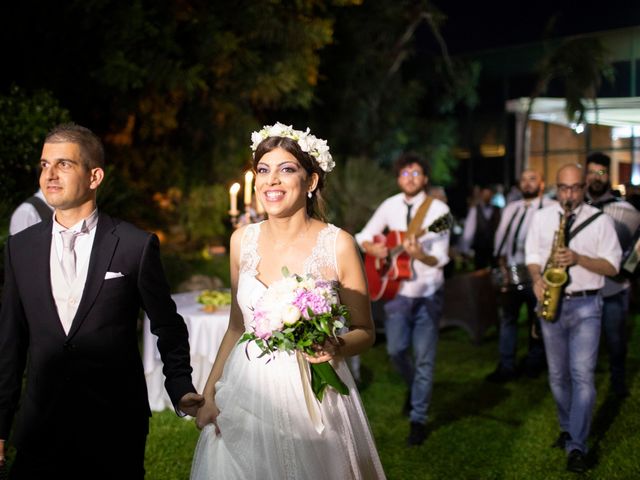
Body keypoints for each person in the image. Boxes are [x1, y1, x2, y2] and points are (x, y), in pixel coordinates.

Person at [0, 123, 203, 479]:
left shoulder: (134, 245)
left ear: (94, 176)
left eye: (64, 164)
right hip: (40, 425)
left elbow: (168, 326)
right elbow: (10, 343)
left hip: (114, 423)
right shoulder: (20, 248)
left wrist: (181, 385)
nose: (50, 174)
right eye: (45, 165)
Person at [190, 123, 385, 479]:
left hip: (313, 399)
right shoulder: (240, 241)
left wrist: (336, 345)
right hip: (246, 388)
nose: (271, 181)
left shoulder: (337, 245)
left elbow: (365, 331)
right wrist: (209, 394)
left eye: (286, 169)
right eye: (263, 170)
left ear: (311, 182)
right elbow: (237, 326)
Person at [525, 163, 621, 474]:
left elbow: (613, 267)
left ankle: (577, 445)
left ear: (583, 187)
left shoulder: (600, 221)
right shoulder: (541, 218)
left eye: (575, 188)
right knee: (557, 377)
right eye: (563, 188)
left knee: (582, 376)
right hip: (552, 303)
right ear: (556, 187)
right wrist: (538, 279)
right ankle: (568, 427)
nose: (569, 195)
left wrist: (578, 259)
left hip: (586, 306)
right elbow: (532, 257)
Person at [356, 152, 450, 446]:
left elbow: (441, 258)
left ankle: (418, 419)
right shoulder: (390, 205)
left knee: (424, 358)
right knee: (396, 351)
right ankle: (414, 388)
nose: (410, 179)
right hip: (396, 291)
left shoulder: (438, 213)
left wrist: (420, 253)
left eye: (416, 173)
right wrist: (374, 249)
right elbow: (363, 236)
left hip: (427, 294)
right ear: (399, 178)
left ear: (425, 178)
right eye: (405, 174)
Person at [486, 169, 552, 382]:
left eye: (532, 179)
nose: (527, 184)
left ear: (541, 183)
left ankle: (534, 363)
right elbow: (501, 237)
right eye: (523, 180)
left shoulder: (550, 208)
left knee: (538, 319)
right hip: (511, 271)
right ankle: (506, 365)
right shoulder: (510, 208)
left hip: (536, 274)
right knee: (508, 319)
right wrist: (500, 261)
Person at [584, 152, 640, 398]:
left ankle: (617, 382)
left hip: (613, 289)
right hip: (583, 288)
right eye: (591, 172)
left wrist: (627, 271)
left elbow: (639, 246)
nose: (596, 178)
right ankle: (584, 381)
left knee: (616, 341)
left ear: (609, 175)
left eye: (601, 173)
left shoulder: (627, 211)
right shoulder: (576, 209)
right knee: (585, 344)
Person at [460, 184, 501, 269]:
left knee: (496, 270)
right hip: (479, 247)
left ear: (492, 195)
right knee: (479, 270)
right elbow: (469, 229)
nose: (487, 197)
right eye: (485, 194)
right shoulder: (475, 209)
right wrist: (465, 248)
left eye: (489, 194)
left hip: (494, 246)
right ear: (481, 195)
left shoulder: (498, 210)